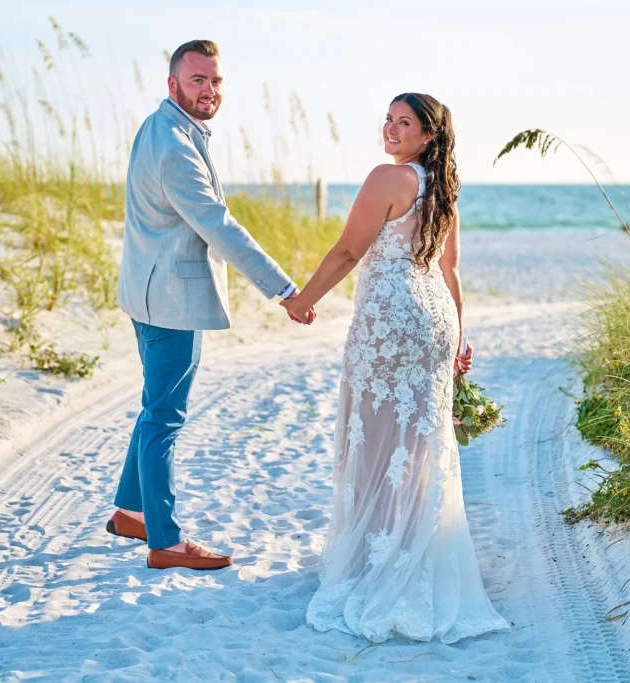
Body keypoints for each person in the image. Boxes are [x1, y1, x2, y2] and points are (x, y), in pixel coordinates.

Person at [284, 93, 510, 642]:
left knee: (376, 434)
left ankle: (376, 557)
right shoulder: (445, 188)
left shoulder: (389, 179)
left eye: (403, 122)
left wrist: (302, 299)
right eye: (388, 118)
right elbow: (449, 268)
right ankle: (413, 545)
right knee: (420, 439)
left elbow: (345, 252)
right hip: (434, 319)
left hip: (390, 320)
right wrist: (459, 334)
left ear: (428, 135)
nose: (390, 128)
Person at [108, 40, 314, 572]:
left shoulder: (164, 125)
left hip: (148, 291)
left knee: (155, 406)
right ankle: (167, 541)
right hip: (169, 301)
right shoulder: (175, 146)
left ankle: (133, 511)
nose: (210, 90)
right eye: (198, 80)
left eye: (216, 81)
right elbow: (219, 226)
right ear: (173, 83)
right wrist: (285, 290)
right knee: (164, 418)